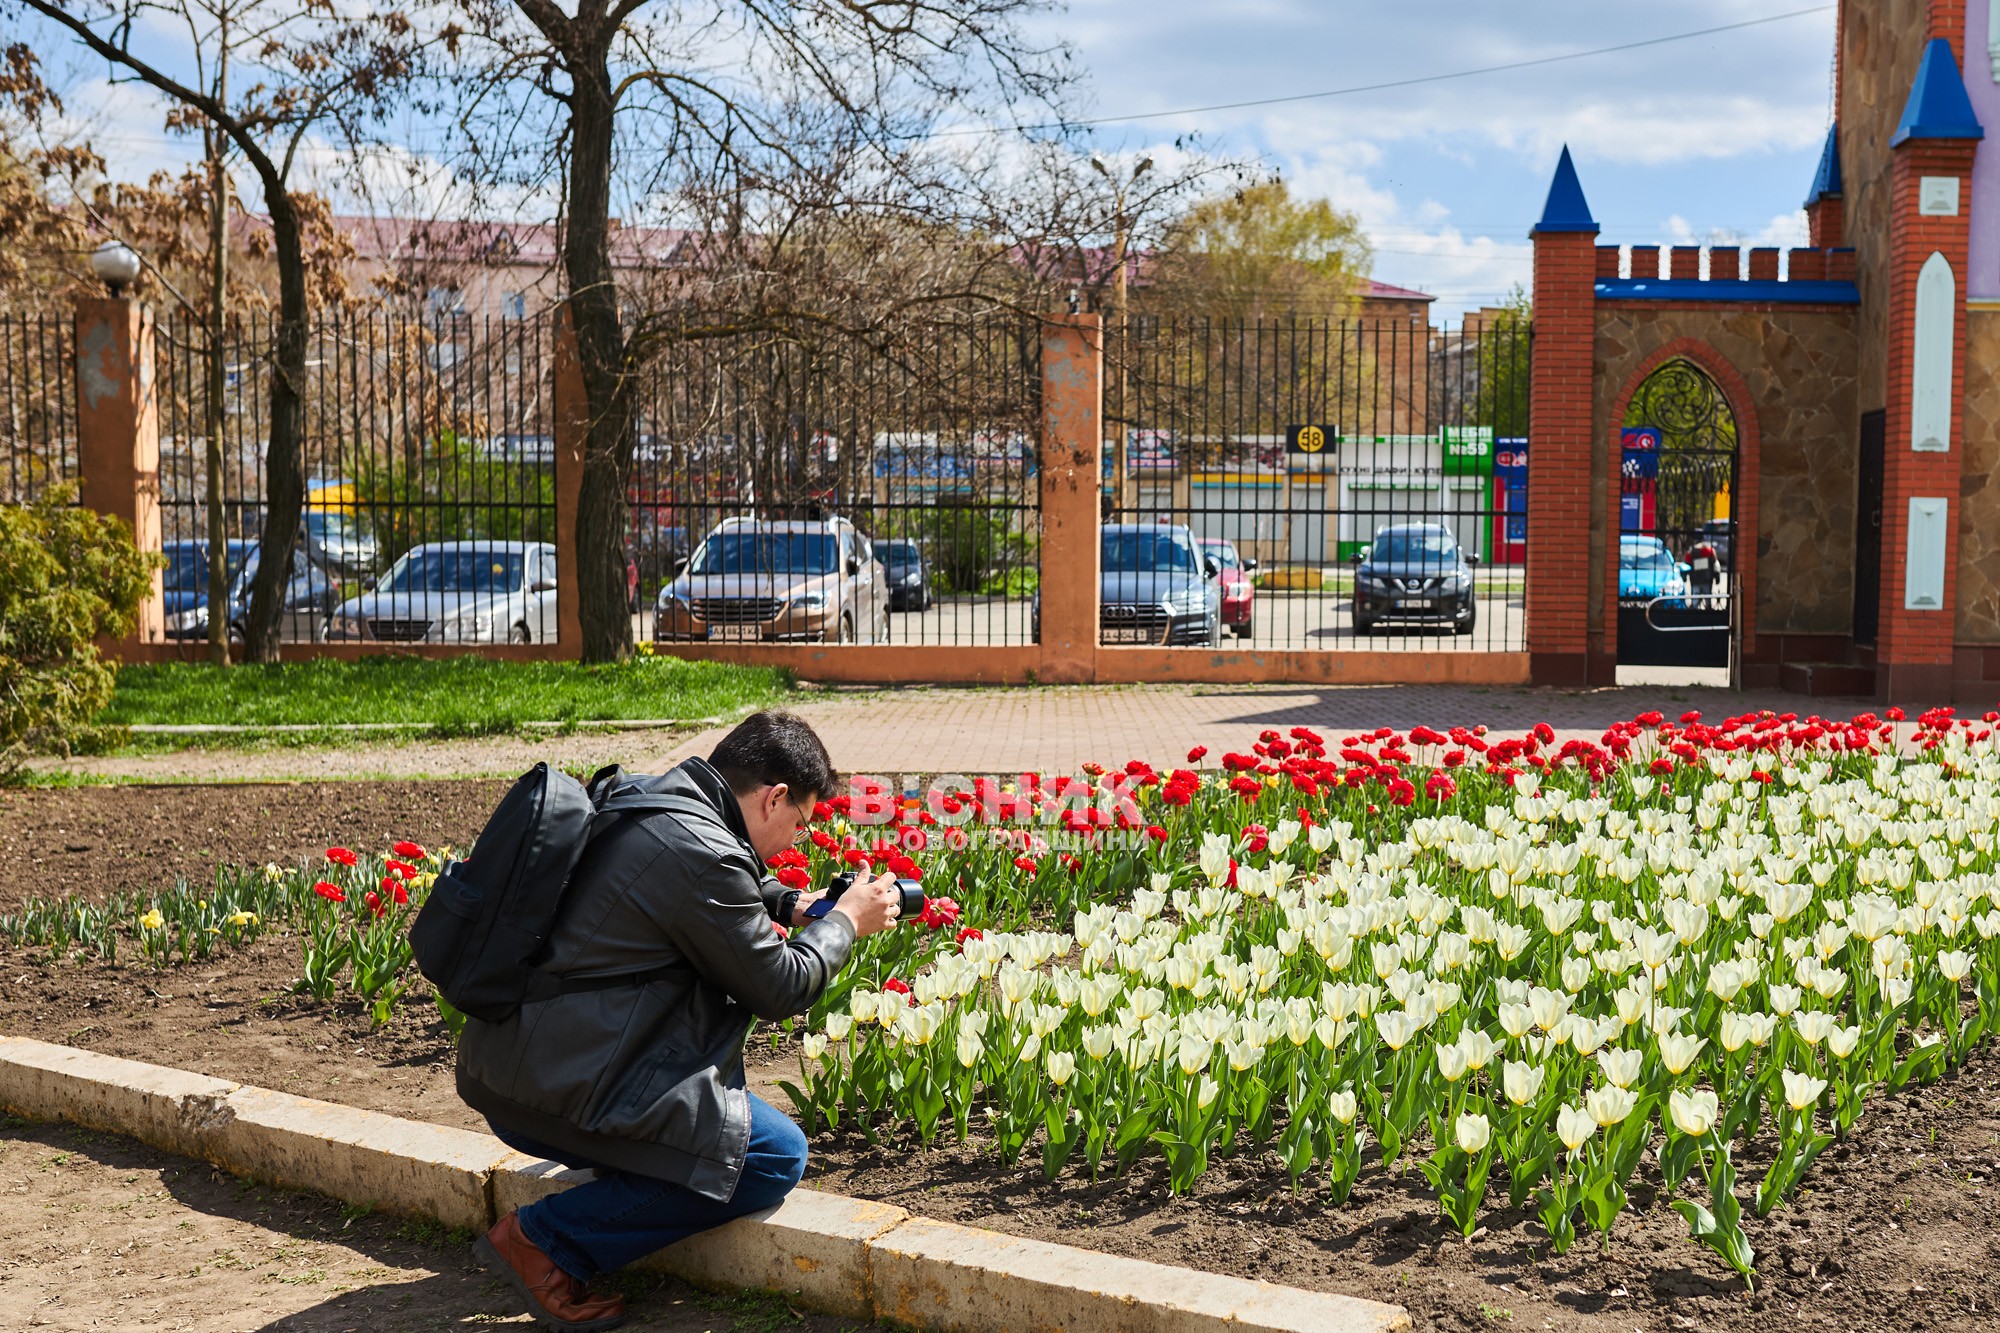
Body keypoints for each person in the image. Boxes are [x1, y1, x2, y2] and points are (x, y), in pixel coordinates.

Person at [458, 711, 901, 1330]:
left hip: (508, 1073)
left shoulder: (645, 793)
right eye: (800, 821)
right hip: (563, 1091)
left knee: (714, 1129)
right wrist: (845, 921)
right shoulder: (703, 853)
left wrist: (790, 902)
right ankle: (546, 1241)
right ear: (775, 797)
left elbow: (698, 879)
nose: (800, 838)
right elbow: (779, 986)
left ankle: (619, 1175)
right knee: (771, 1157)